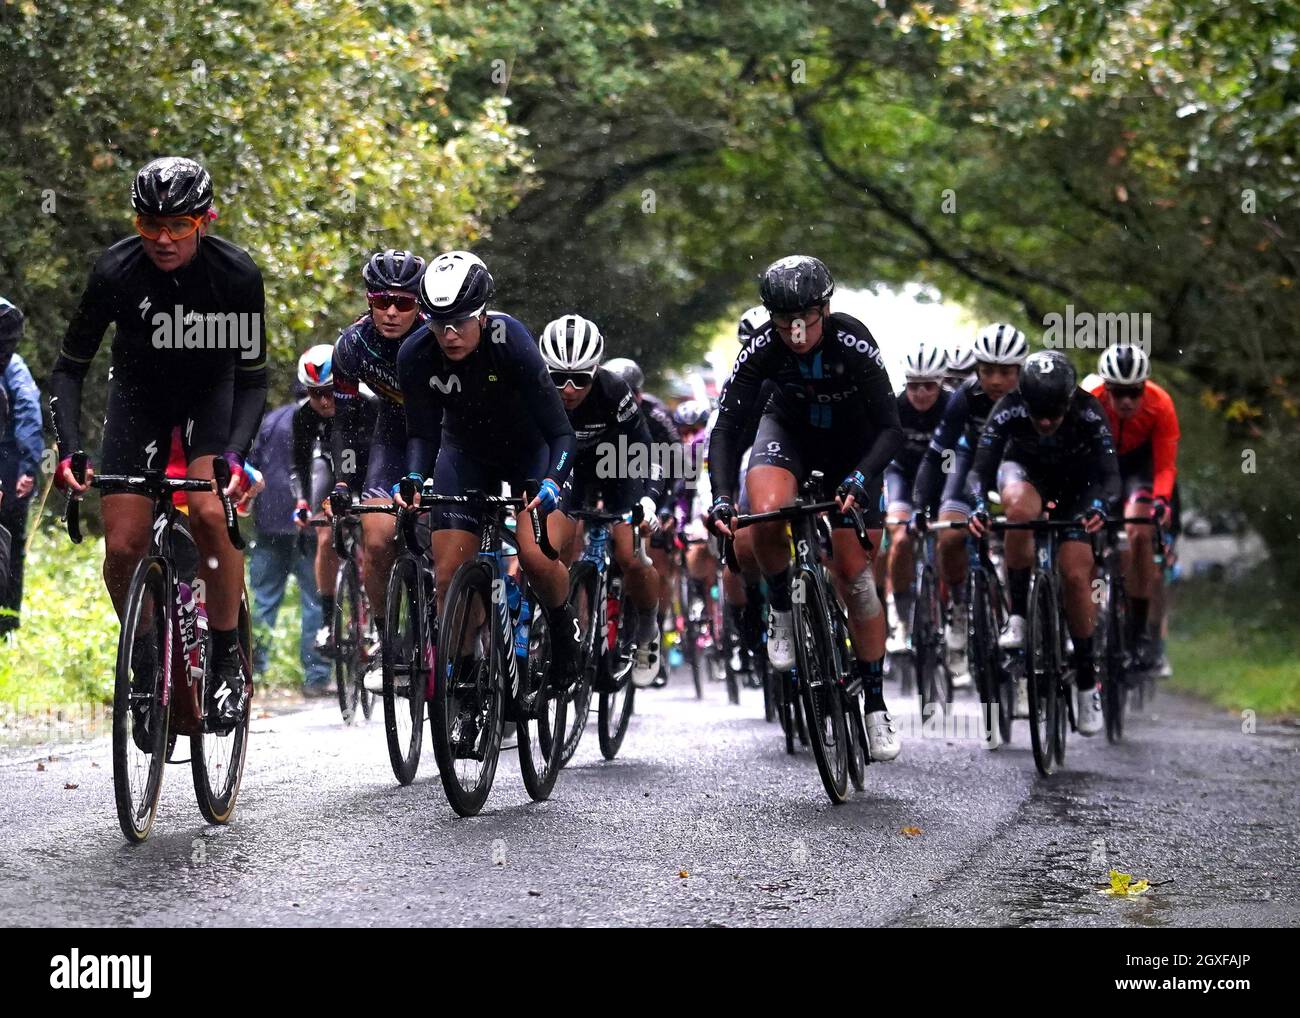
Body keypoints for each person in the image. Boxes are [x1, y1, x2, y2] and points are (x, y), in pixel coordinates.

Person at [48, 156, 266, 730]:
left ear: (205, 220)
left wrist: (236, 455)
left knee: (208, 511)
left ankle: (226, 659)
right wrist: (70, 448)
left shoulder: (235, 275)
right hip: (139, 398)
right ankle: (146, 663)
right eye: (150, 225)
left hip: (209, 397)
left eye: (178, 226)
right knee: (122, 546)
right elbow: (70, 369)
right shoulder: (116, 272)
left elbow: (252, 378)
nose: (163, 239)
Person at [707, 256, 904, 760]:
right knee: (767, 515)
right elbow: (727, 430)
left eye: (806, 320)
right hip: (789, 435)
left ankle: (876, 704)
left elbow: (891, 428)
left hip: (853, 447)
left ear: (826, 309)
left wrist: (863, 476)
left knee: (857, 580)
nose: (795, 334)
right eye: (783, 321)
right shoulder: (760, 351)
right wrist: (723, 497)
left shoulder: (854, 342)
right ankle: (780, 608)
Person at [395, 251, 581, 686]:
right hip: (466, 455)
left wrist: (553, 481)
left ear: (482, 314)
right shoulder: (415, 354)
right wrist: (414, 477)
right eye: (439, 324)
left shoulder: (510, 338)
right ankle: (463, 682)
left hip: (530, 453)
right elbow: (422, 433)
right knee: (447, 577)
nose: (450, 334)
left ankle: (560, 624)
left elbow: (562, 433)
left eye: (460, 321)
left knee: (534, 556)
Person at [966, 351, 1121, 742]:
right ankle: (1018, 614)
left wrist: (1102, 505)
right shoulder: (1009, 407)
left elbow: (1109, 476)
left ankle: (1086, 680)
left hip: (1079, 487)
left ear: (1070, 400)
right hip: (1028, 476)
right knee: (1018, 510)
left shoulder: (1089, 410)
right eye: (1039, 413)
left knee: (1074, 572)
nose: (1048, 421)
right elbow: (979, 470)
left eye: (1055, 412)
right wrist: (980, 503)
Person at [539, 316, 664, 687]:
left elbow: (645, 449)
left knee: (630, 556)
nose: (569, 388)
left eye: (581, 378)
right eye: (558, 377)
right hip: (565, 467)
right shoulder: (533, 388)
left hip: (616, 465)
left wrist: (649, 498)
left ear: (597, 371)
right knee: (552, 548)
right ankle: (562, 633)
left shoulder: (614, 390)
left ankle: (647, 625)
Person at [328, 249, 426, 692]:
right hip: (392, 433)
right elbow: (345, 422)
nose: (391, 311)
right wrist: (345, 480)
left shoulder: (438, 336)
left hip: (447, 436)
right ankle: (390, 641)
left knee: (445, 535)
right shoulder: (352, 345)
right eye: (382, 300)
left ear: (420, 304)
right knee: (376, 537)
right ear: (368, 299)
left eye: (403, 303)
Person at [911, 323, 1027, 683]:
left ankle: (1026, 612)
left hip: (1018, 464)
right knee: (949, 536)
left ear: (1020, 371)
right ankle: (959, 609)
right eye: (987, 370)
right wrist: (920, 506)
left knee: (1022, 528)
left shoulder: (1033, 395)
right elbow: (936, 453)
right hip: (969, 462)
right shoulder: (965, 395)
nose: (994, 380)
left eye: (1005, 372)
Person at [1088, 344, 1179, 671]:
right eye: (1118, 393)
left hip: (1141, 469)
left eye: (1134, 392)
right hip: (1102, 465)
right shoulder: (1089, 399)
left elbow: (1166, 466)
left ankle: (1140, 631)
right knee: (1079, 532)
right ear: (1106, 388)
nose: (1126, 401)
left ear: (1145, 388)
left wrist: (1162, 500)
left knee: (1140, 534)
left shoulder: (1161, 404)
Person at [603, 355, 682, 686]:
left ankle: (654, 634)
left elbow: (678, 464)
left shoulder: (656, 415)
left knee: (655, 560)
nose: (630, 400)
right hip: (609, 482)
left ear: (640, 393)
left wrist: (665, 509)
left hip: (654, 486)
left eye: (633, 393)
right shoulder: (601, 405)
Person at [247, 394, 332, 693]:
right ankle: (316, 676)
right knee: (315, 598)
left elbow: (253, 463)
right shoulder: (324, 420)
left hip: (270, 521)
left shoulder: (271, 421)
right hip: (310, 521)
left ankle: (252, 674)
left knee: (264, 599)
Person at [882, 341, 950, 658]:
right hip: (903, 479)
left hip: (943, 482)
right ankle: (900, 618)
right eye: (913, 386)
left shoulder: (953, 407)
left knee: (951, 537)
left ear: (940, 384)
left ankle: (955, 608)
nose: (920, 393)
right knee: (899, 538)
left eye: (928, 386)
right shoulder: (895, 407)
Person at [290, 345, 342, 659]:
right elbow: (300, 465)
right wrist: (302, 503)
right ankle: (327, 621)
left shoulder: (365, 402)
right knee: (324, 534)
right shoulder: (303, 415)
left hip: (362, 467)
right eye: (316, 393)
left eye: (330, 392)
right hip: (328, 466)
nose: (323, 401)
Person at [0, 353, 42, 635]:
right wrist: (28, 466)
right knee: (11, 546)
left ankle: (7, 621)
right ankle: (7, 623)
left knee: (10, 544)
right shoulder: (13, 365)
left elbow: (26, 409)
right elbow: (29, 409)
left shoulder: (11, 365)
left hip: (11, 464)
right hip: (11, 463)